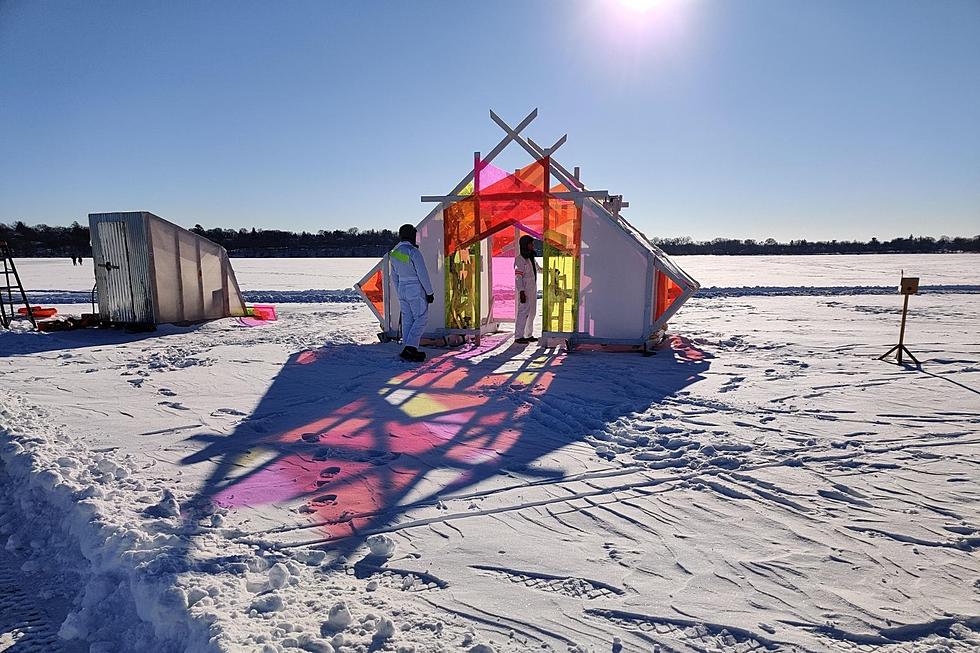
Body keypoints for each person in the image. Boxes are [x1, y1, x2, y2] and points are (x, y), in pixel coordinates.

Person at [389, 223, 434, 362]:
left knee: (408, 319)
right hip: (415, 288)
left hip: (402, 288)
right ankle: (411, 348)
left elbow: (394, 277)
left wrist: (399, 292)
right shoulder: (413, 252)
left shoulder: (395, 254)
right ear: (412, 235)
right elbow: (422, 274)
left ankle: (407, 347)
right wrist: (429, 292)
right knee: (421, 318)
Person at [514, 234, 538, 344]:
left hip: (532, 289)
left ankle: (528, 334)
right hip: (525, 289)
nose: (532, 245)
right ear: (525, 245)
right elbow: (518, 277)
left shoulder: (530, 258)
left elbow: (538, 269)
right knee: (523, 312)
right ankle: (519, 336)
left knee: (532, 312)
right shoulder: (520, 259)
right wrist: (521, 291)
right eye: (530, 244)